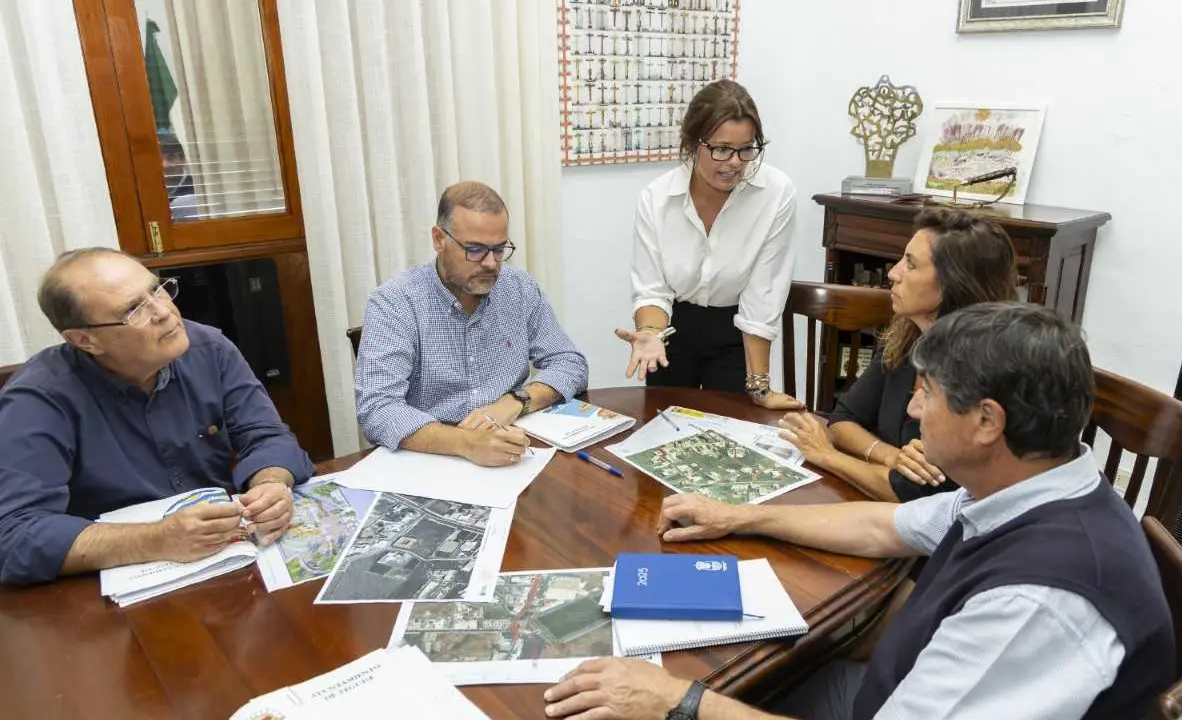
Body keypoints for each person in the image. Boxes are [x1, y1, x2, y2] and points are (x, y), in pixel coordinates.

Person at [546, 303, 1175, 720]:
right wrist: (739, 515)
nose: (912, 412)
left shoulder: (1037, 600)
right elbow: (884, 525)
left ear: (987, 421)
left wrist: (676, 701)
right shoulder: (1026, 485)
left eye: (927, 394)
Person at [0, 248, 313, 586]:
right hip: (108, 591)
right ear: (85, 340)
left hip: (228, 563)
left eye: (158, 289)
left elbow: (268, 437)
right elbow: (14, 534)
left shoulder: (209, 348)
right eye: (134, 309)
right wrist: (156, 538)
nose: (164, 312)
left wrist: (271, 483)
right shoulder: (39, 398)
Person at [779, 208, 1018, 502]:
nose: (893, 273)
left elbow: (915, 493)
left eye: (911, 265)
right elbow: (844, 419)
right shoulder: (908, 336)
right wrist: (892, 457)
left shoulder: (977, 369)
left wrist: (827, 456)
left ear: (953, 284)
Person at [356, 181, 588, 467]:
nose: (491, 263)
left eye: (499, 249)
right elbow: (377, 410)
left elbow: (570, 363)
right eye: (475, 249)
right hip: (431, 458)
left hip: (511, 449)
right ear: (439, 239)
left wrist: (516, 401)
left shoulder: (519, 288)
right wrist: (466, 443)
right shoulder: (395, 303)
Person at [617, 79, 803, 410]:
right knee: (663, 434)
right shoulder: (657, 199)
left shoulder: (775, 193)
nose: (734, 163)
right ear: (693, 143)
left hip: (736, 333)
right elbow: (652, 289)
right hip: (672, 331)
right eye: (721, 149)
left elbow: (763, 295)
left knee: (734, 434)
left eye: (747, 148)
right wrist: (649, 333)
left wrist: (760, 387)